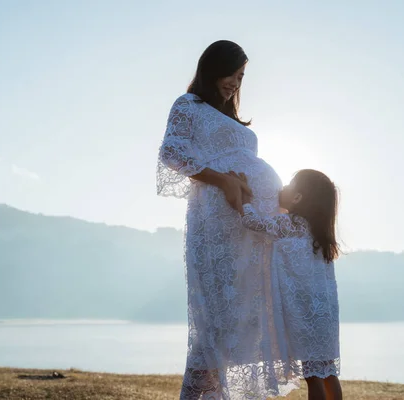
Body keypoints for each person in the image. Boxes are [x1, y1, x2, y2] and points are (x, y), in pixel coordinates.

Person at [157, 40, 300, 399]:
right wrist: (225, 180)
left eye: (241, 77)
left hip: (250, 230)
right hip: (218, 226)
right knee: (213, 329)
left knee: (240, 326)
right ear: (212, 68)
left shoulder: (233, 119)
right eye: (231, 74)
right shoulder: (189, 104)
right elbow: (171, 151)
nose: (235, 83)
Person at [237, 169, 342, 400]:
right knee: (328, 372)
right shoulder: (319, 234)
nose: (282, 188)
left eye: (289, 185)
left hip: (305, 315)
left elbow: (252, 222)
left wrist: (245, 200)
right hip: (325, 315)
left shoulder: (288, 223)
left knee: (312, 375)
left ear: (297, 198)